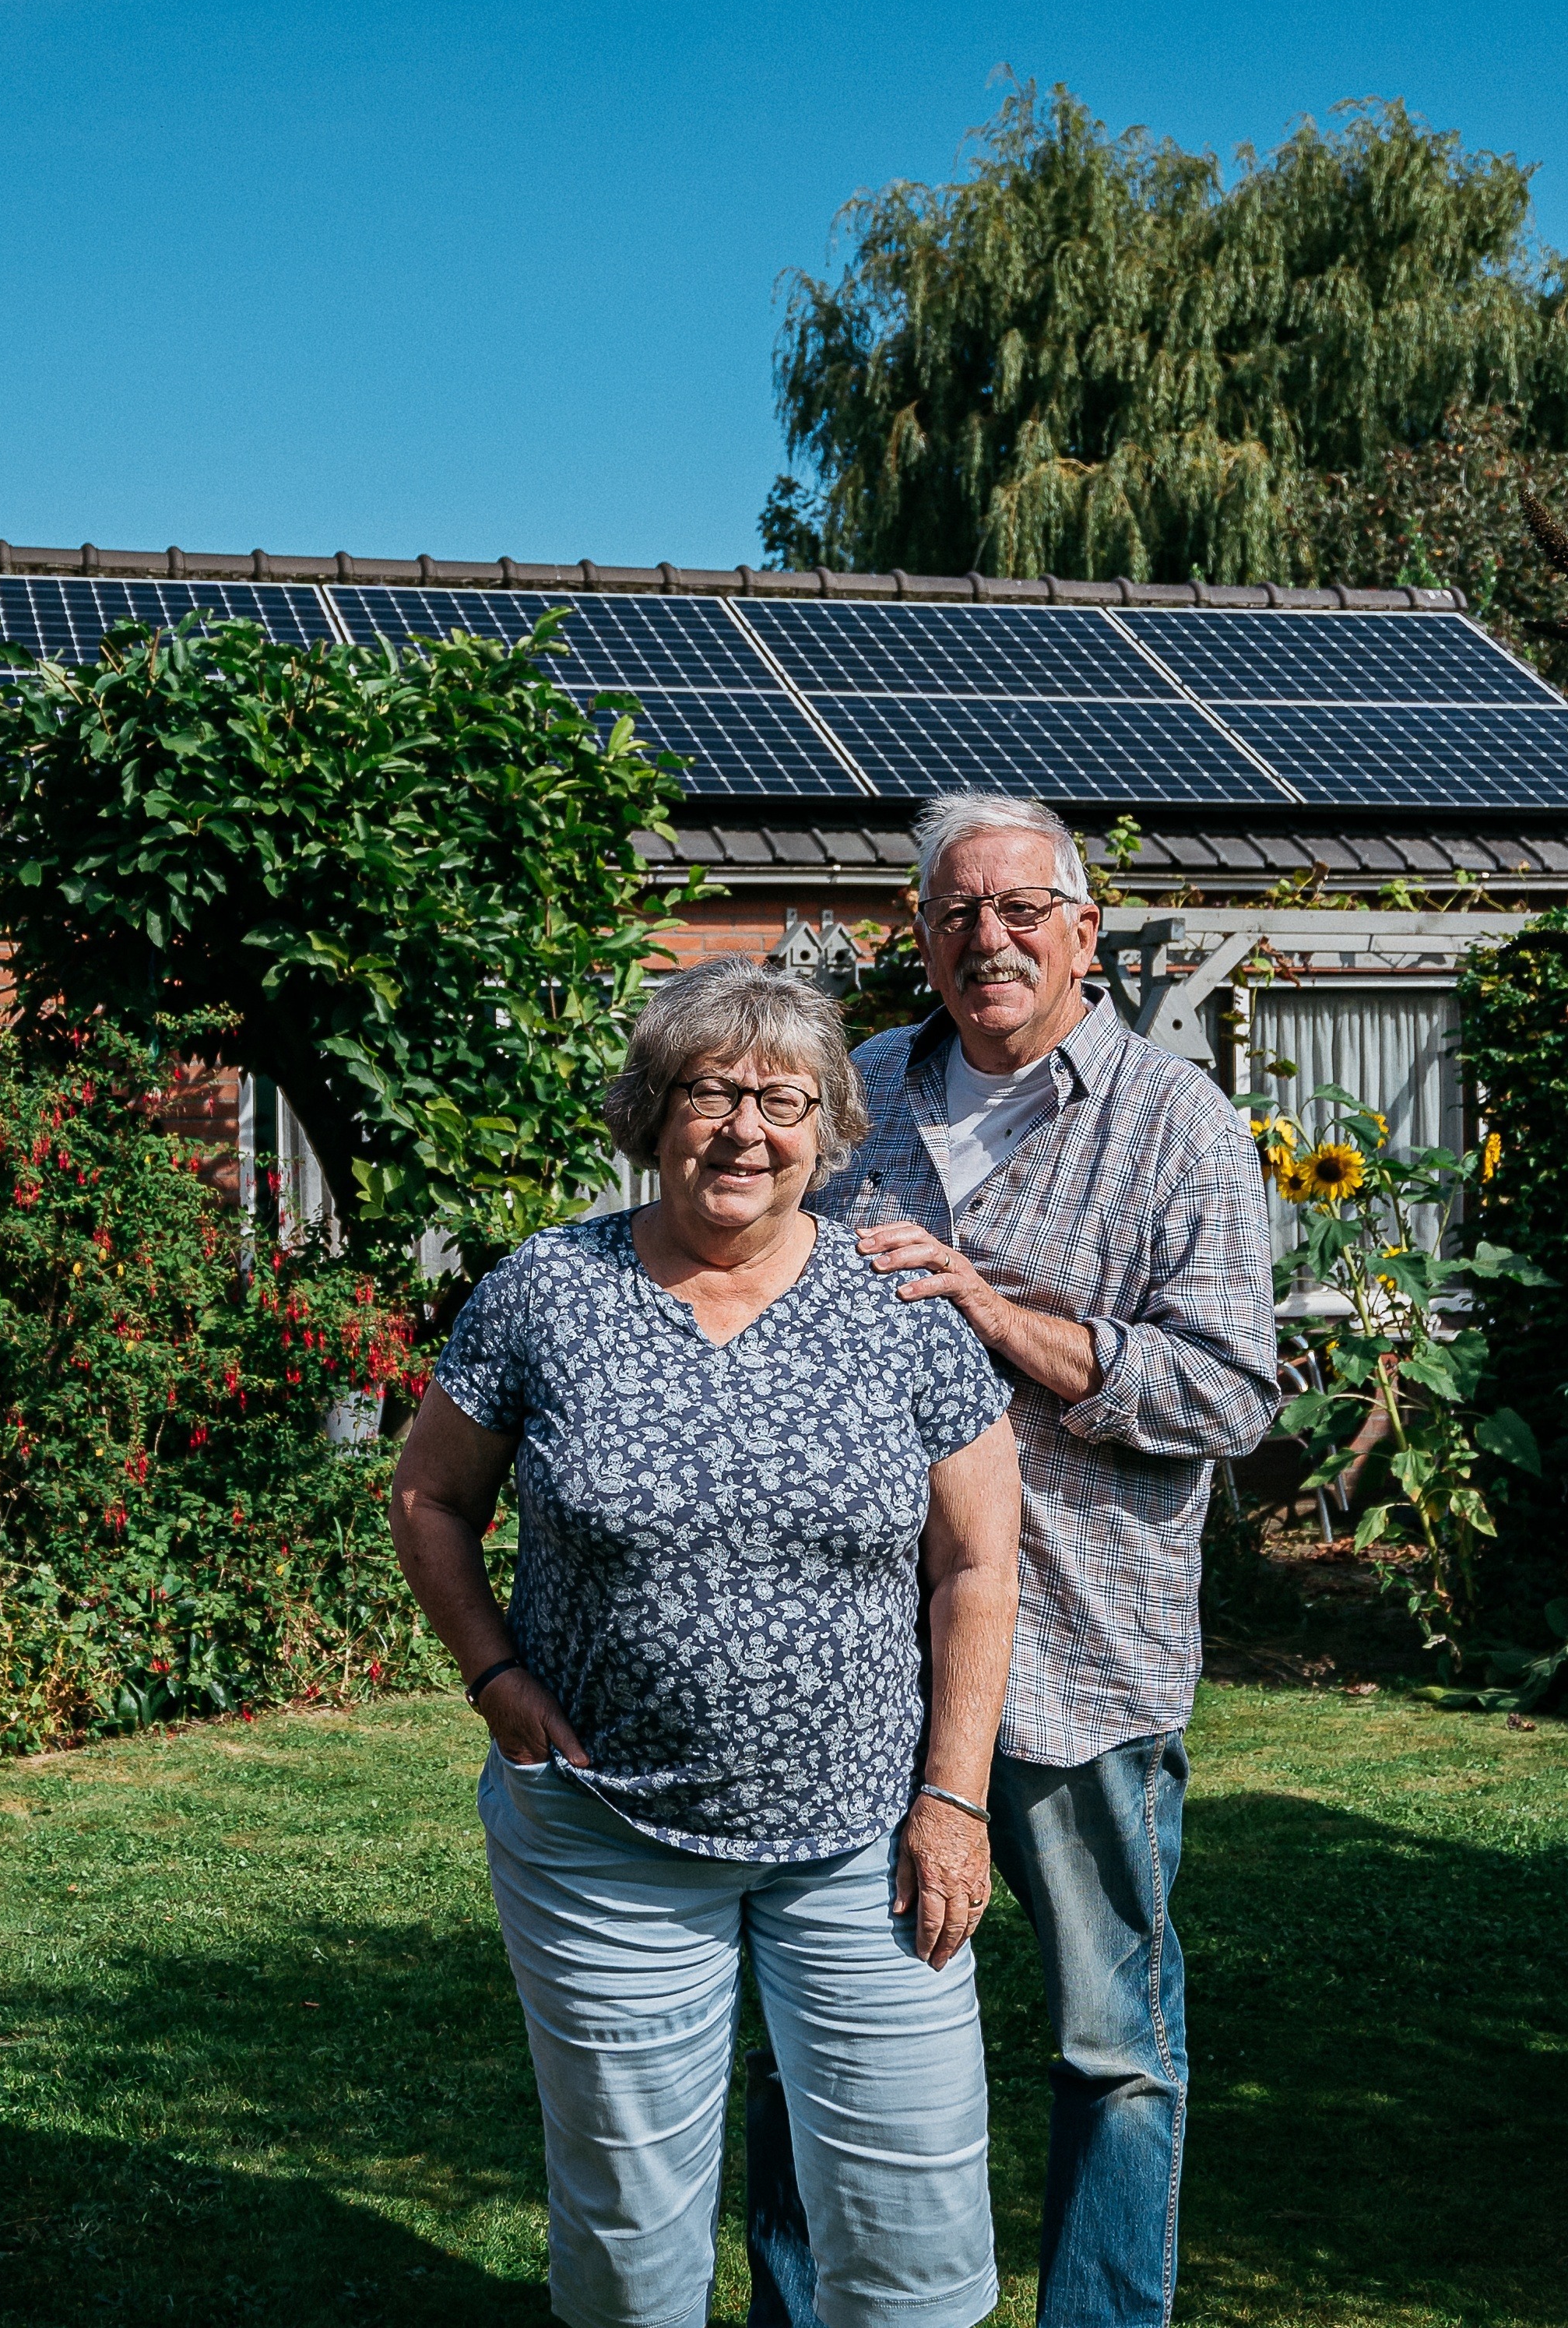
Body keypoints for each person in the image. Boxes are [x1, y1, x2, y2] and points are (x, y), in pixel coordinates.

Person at [390, 958, 1025, 2328]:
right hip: (604, 1837)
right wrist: (495, 1678)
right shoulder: (546, 1290)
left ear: (830, 1127)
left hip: (868, 1840)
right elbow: (429, 1493)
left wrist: (955, 1800)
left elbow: (977, 1561)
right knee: (629, 2238)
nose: (746, 1128)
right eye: (709, 1092)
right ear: (651, 1114)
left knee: (913, 2228)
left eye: (783, 1098)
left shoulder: (897, 1305)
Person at [754, 793, 1282, 2328]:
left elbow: (1231, 1392)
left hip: (1077, 1653)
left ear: (1083, 932)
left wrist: (998, 1314)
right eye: (954, 912)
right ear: (919, 935)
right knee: (817, 2031)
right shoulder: (850, 1097)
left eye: (1019, 909)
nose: (986, 937)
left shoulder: (1178, 1120)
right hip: (857, 1653)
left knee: (1112, 2041)